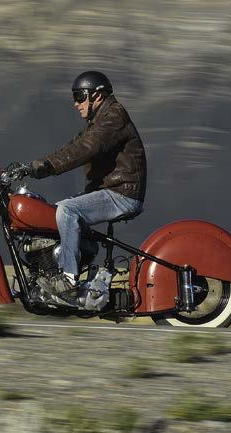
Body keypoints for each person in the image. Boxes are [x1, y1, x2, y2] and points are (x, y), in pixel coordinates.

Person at [27, 71, 147, 298]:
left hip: (122, 193)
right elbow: (74, 145)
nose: (76, 103)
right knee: (52, 212)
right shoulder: (99, 121)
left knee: (68, 209)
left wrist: (48, 166)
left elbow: (87, 148)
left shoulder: (114, 117)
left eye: (80, 96)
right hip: (109, 191)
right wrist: (36, 165)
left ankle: (69, 278)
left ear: (98, 96)